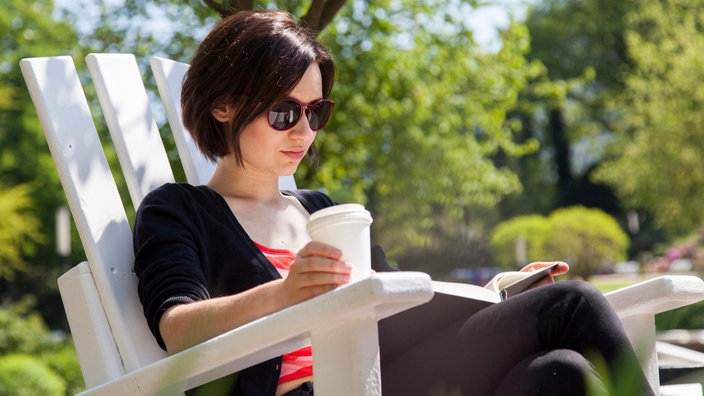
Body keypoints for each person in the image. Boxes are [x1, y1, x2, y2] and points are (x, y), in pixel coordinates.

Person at [133, 9, 654, 396]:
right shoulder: (178, 210)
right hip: (313, 390)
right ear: (222, 105)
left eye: (315, 112)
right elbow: (178, 327)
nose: (304, 132)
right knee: (575, 304)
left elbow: (400, 305)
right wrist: (285, 293)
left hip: (382, 375)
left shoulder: (319, 211)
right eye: (284, 112)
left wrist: (498, 294)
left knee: (559, 371)